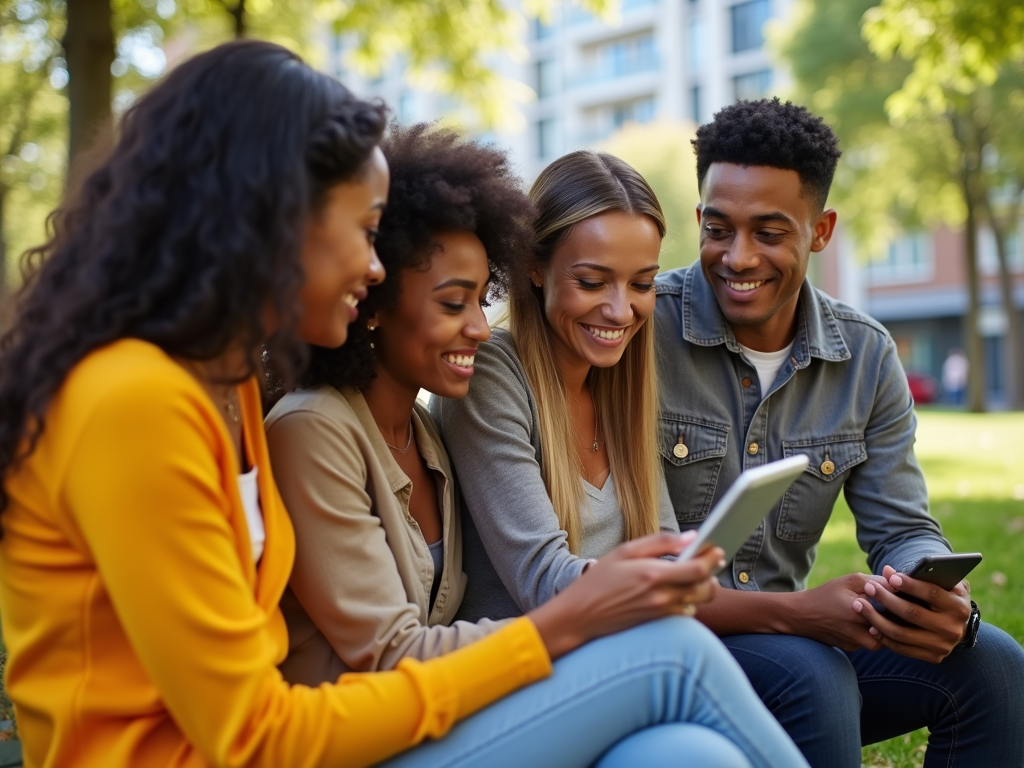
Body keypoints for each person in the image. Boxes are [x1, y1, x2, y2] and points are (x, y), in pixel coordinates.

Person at [0, 42, 808, 768]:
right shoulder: (131, 402)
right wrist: (561, 626)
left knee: (682, 754)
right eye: (364, 229)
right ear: (271, 220)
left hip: (340, 733)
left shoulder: (231, 391)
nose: (375, 265)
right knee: (671, 656)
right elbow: (257, 735)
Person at [264, 123, 810, 768]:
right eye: (452, 303)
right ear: (374, 300)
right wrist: (588, 615)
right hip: (363, 742)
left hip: (443, 716)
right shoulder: (312, 429)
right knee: (676, 656)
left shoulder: (423, 435)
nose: (477, 325)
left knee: (686, 753)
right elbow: (391, 654)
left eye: (479, 298)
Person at [653, 97, 1024, 768]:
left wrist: (927, 590)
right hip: (672, 639)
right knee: (811, 673)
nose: (738, 257)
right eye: (718, 227)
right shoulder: (640, 334)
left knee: (994, 665)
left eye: (769, 232)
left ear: (820, 231)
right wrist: (796, 617)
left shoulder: (866, 355)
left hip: (785, 639)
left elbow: (900, 526)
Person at [433, 150, 680, 622]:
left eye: (642, 284)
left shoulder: (620, 385)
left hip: (625, 643)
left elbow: (665, 548)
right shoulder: (491, 375)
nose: (621, 311)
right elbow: (546, 584)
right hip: (531, 665)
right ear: (533, 266)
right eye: (591, 282)